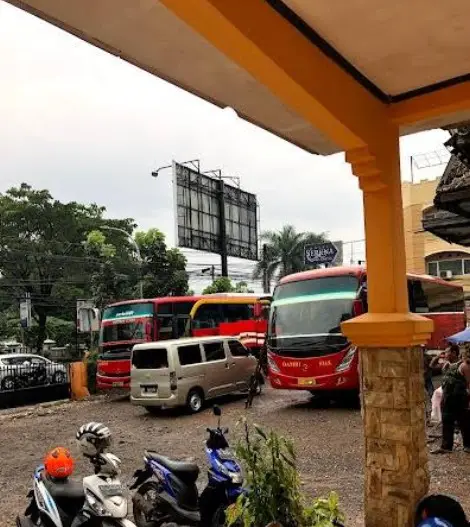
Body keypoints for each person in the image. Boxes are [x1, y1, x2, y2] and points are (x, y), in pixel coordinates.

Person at [432, 347, 470, 454]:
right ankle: (446, 447)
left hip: (460, 399)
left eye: (448, 351)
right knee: (447, 422)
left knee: (464, 422)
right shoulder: (446, 365)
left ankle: (468, 445)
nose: (446, 353)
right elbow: (432, 367)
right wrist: (437, 357)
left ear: (454, 353)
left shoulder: (463, 365)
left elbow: (469, 383)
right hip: (448, 398)